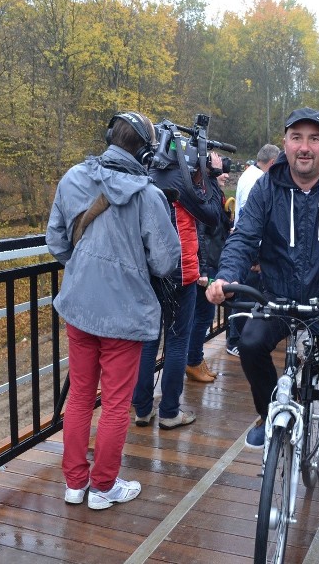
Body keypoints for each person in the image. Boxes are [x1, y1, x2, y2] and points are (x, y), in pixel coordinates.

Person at [206, 107, 319, 520]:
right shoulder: (267, 188)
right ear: (285, 143)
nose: (304, 147)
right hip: (278, 295)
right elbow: (243, 238)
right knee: (249, 342)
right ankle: (267, 408)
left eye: (314, 138)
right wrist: (225, 278)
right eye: (296, 138)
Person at [46, 111, 181, 509]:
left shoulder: (73, 178)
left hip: (79, 308)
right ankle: (103, 488)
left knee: (81, 397)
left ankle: (75, 485)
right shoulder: (148, 195)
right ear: (144, 152)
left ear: (109, 138)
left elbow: (56, 241)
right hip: (125, 315)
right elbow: (165, 262)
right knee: (116, 403)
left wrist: (86, 267)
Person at [132, 128, 224, 430]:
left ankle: (142, 410)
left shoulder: (147, 175)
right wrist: (210, 176)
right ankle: (170, 411)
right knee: (176, 341)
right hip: (180, 270)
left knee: (147, 341)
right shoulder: (183, 183)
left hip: (148, 270)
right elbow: (213, 214)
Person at [225, 144, 280, 357]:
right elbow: (253, 221)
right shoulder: (258, 181)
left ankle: (238, 338)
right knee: (245, 299)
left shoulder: (247, 175)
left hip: (244, 247)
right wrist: (256, 255)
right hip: (249, 252)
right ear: (273, 163)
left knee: (245, 297)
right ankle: (236, 340)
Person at [186, 153, 232, 383]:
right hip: (207, 265)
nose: (225, 174)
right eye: (220, 170)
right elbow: (200, 235)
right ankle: (193, 361)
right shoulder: (204, 193)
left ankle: (195, 358)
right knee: (203, 315)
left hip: (213, 261)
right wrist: (203, 271)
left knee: (203, 315)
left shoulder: (211, 192)